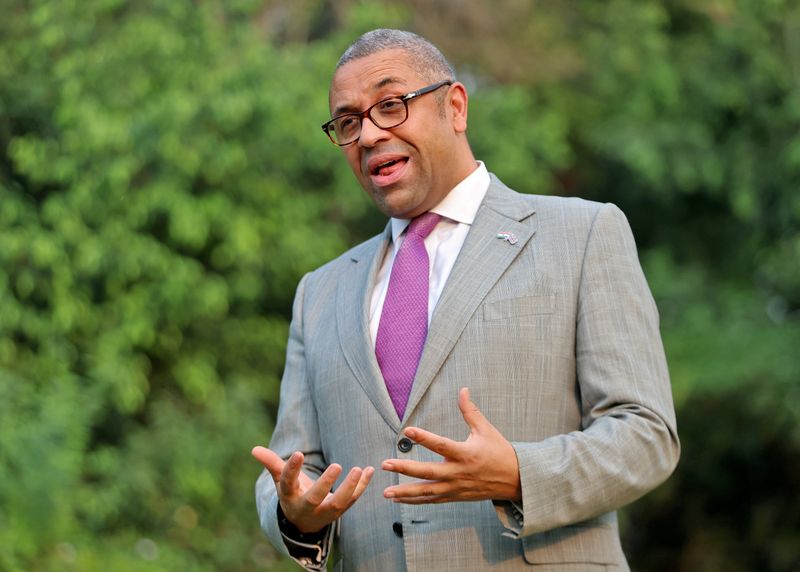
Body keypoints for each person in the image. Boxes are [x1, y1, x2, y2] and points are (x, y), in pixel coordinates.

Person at [253, 28, 679, 572]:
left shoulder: (583, 233)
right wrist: (295, 514)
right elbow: (293, 469)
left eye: (390, 105)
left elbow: (646, 434)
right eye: (348, 122)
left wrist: (520, 474)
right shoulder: (321, 290)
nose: (367, 135)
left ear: (455, 107)